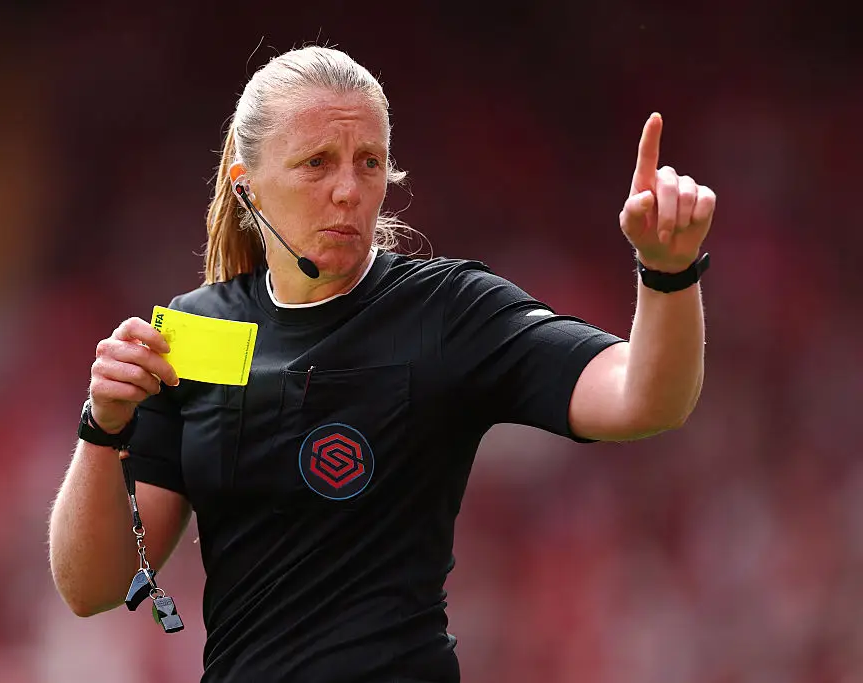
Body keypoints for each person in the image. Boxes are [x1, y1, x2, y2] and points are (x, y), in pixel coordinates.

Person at [47, 45, 716, 683]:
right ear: (245, 186)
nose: (349, 189)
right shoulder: (197, 335)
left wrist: (667, 272)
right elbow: (92, 587)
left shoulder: (448, 313)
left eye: (369, 162)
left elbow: (645, 398)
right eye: (317, 162)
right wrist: (102, 426)